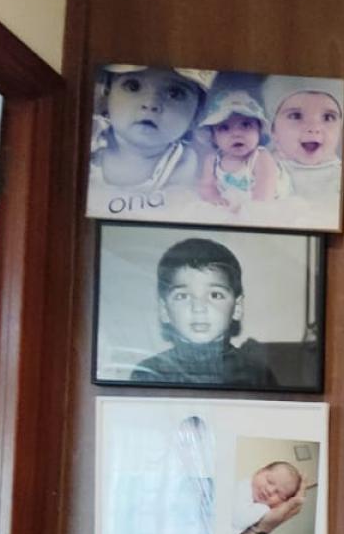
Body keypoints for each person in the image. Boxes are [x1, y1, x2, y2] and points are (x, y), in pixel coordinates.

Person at [131, 237, 281, 389]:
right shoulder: (150, 373)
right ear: (164, 310)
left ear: (237, 307)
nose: (199, 308)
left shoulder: (256, 374)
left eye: (215, 295)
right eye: (183, 296)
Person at [89, 65, 208, 211]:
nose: (150, 104)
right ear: (107, 94)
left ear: (196, 116)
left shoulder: (181, 161)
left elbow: (171, 209)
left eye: (175, 93)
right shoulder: (92, 133)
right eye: (133, 86)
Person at [196, 88, 289, 212]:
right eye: (224, 128)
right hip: (235, 202)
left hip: (269, 200)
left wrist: (252, 210)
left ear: (259, 131)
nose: (236, 134)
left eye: (246, 125)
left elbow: (266, 187)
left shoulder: (260, 157)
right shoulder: (212, 160)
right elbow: (206, 186)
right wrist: (215, 198)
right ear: (214, 138)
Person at [268, 85, 344, 206]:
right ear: (273, 131)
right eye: (296, 116)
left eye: (328, 117)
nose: (313, 128)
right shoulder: (261, 169)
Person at [233, 459, 308, 534]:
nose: (269, 490)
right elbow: (238, 520)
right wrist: (263, 509)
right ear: (259, 471)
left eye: (279, 493)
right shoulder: (243, 487)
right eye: (270, 481)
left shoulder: (265, 509)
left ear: (282, 503)